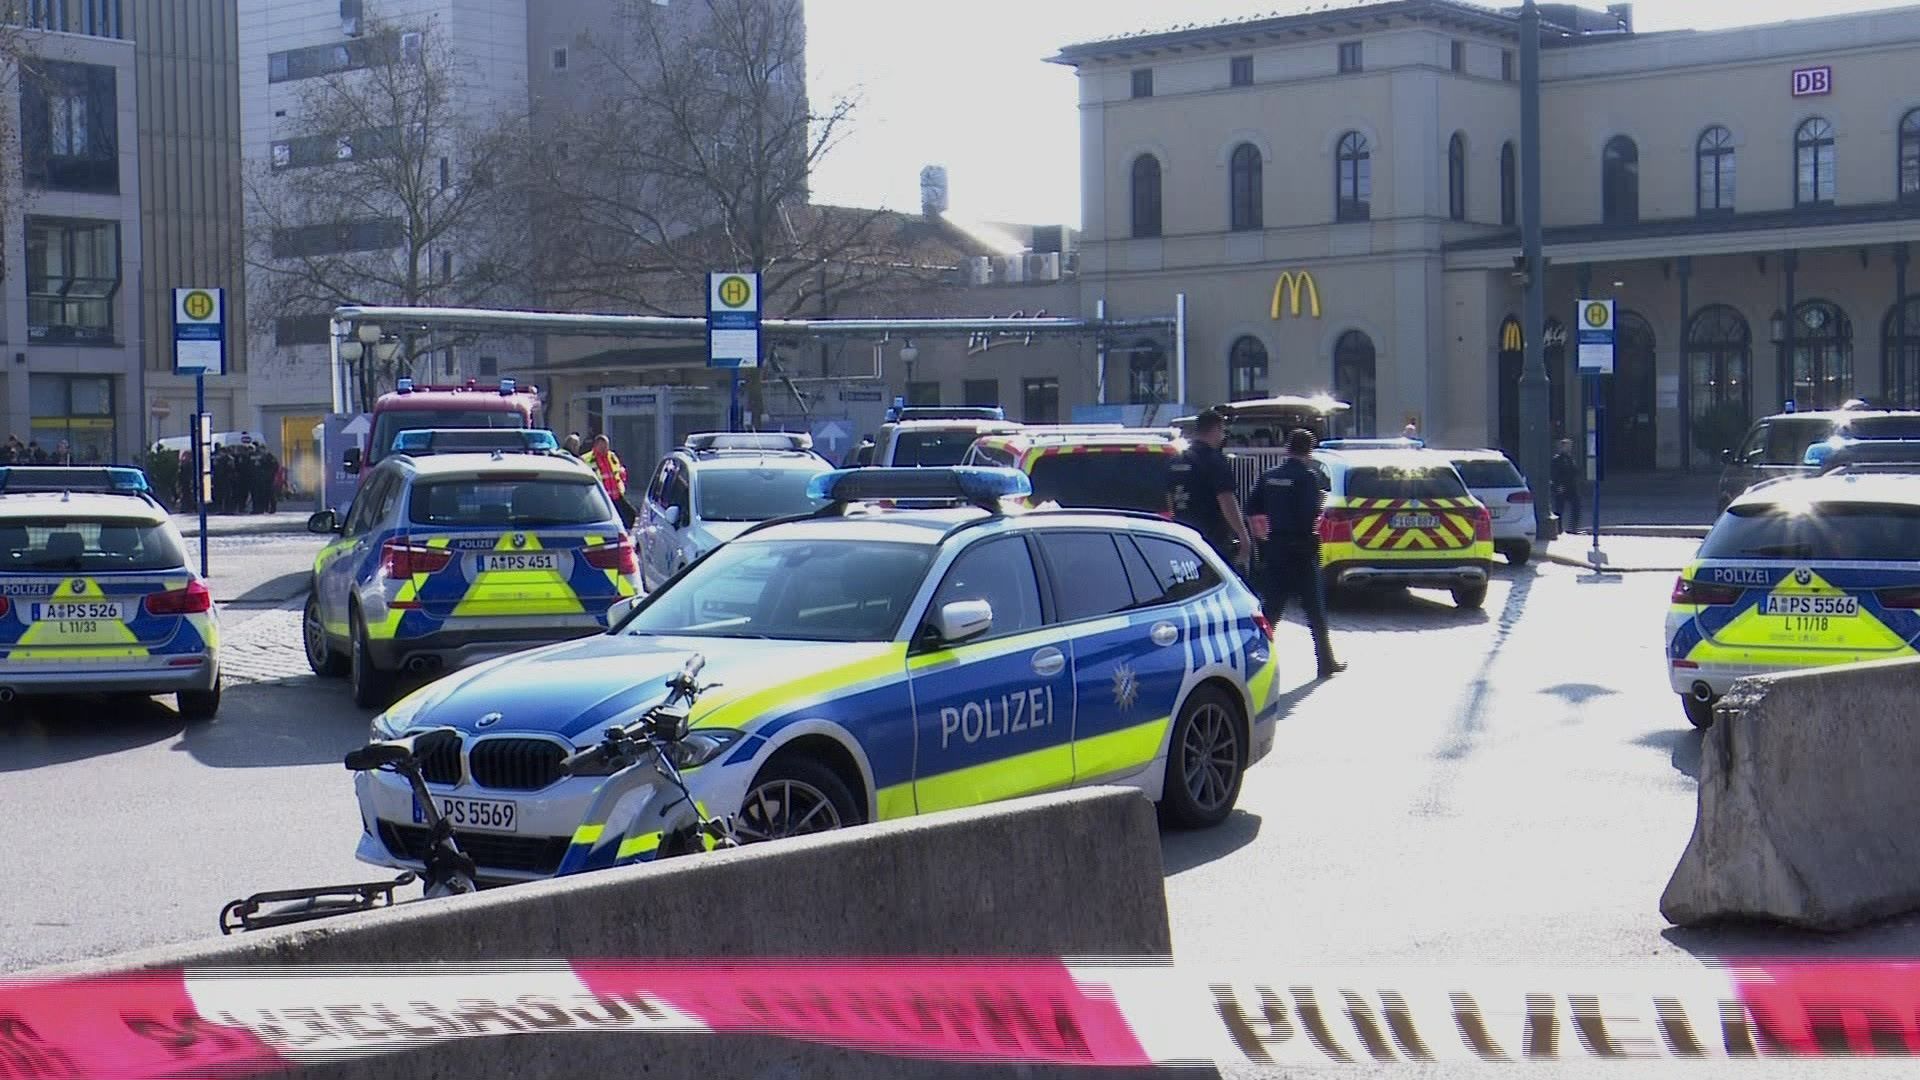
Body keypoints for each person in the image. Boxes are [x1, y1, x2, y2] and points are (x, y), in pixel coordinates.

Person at [1245, 428, 1345, 679]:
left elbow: (1252, 507)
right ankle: (1326, 662)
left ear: (1288, 448)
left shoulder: (1269, 477)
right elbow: (1310, 513)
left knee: (1272, 609)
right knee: (1314, 609)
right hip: (1301, 549)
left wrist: (1263, 536)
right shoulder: (1307, 478)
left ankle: (1253, 660)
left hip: (1276, 547)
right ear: (1309, 452)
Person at [1166, 406, 1253, 574]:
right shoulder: (1214, 461)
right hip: (1212, 537)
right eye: (1223, 430)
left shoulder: (1176, 460)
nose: (1223, 436)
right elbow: (1226, 500)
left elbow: (1170, 499)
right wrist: (1243, 535)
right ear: (1216, 429)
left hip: (1183, 537)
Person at [588, 434, 637, 531]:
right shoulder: (588, 459)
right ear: (596, 445)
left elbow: (619, 470)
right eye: (602, 446)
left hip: (616, 495)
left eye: (606, 446)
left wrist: (622, 481)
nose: (605, 448)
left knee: (631, 515)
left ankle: (625, 534)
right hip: (602, 497)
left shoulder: (611, 456)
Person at [1551, 437, 1582, 534]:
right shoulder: (1557, 459)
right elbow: (1554, 474)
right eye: (1567, 446)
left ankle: (1573, 527)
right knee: (1559, 509)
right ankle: (1558, 528)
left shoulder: (1570, 458)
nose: (1569, 448)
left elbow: (1575, 471)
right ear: (1562, 447)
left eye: (1570, 446)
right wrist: (1557, 486)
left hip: (1572, 486)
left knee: (1576, 506)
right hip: (1562, 487)